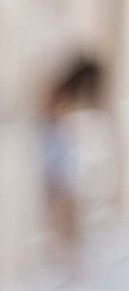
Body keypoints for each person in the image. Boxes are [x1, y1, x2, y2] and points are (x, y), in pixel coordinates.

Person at [41, 54, 110, 275]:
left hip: (59, 145)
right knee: (60, 198)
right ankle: (62, 252)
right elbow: (53, 117)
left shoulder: (62, 90)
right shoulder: (60, 91)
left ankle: (66, 251)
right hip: (54, 146)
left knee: (65, 199)